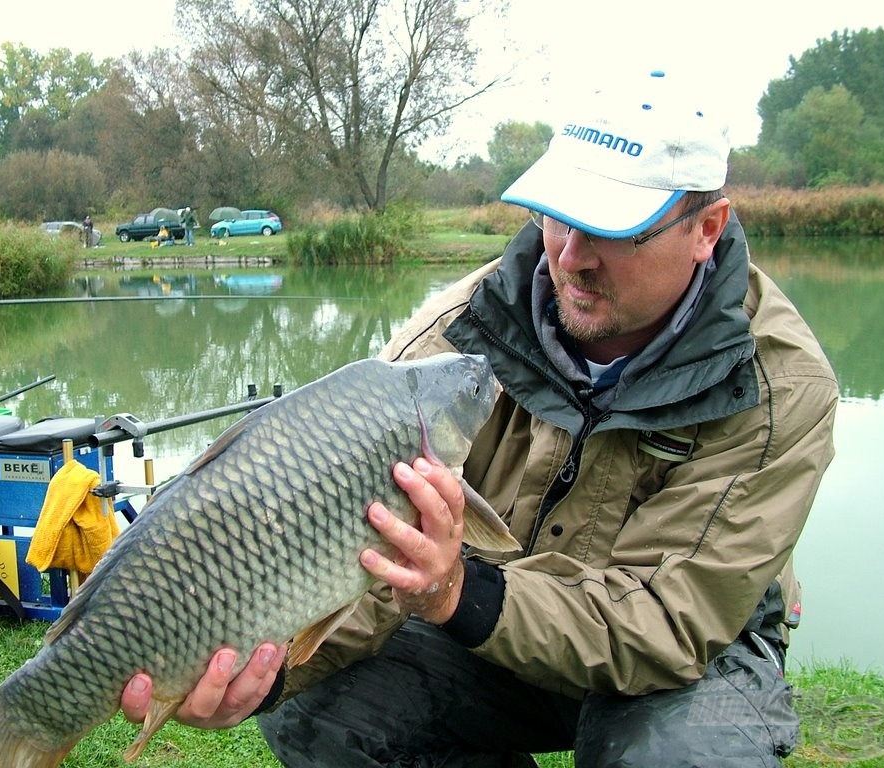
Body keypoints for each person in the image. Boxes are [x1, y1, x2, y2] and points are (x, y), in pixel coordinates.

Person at [120, 69, 838, 766]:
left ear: (706, 228)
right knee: (321, 714)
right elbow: (369, 551)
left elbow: (670, 618)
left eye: (616, 231)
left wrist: (459, 591)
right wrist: (265, 668)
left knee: (675, 755)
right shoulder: (457, 336)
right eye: (561, 217)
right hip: (486, 625)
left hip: (686, 656)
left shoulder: (779, 385)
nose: (572, 258)